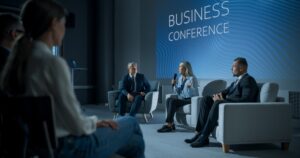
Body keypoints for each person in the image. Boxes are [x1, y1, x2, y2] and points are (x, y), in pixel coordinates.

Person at [0, 0, 145, 158]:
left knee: (133, 141)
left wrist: (93, 122)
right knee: (131, 124)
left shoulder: (17, 63)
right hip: (70, 147)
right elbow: (75, 124)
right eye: (63, 23)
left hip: (40, 147)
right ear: (54, 23)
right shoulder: (52, 63)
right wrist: (93, 123)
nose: (65, 29)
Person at [184, 57, 259, 148]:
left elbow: (246, 100)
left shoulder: (248, 80)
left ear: (242, 68)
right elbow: (225, 92)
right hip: (228, 105)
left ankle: (204, 136)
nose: (231, 69)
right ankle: (199, 133)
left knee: (218, 102)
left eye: (233, 66)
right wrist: (216, 96)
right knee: (206, 99)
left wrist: (223, 100)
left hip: (235, 109)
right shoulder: (236, 82)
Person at [157, 61, 199, 132]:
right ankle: (171, 123)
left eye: (180, 67)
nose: (178, 68)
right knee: (169, 100)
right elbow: (178, 92)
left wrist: (190, 87)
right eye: (179, 67)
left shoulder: (192, 78)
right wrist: (174, 85)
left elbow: (193, 93)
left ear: (186, 68)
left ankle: (169, 125)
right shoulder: (180, 78)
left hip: (191, 99)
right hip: (183, 98)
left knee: (173, 101)